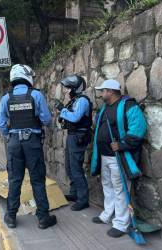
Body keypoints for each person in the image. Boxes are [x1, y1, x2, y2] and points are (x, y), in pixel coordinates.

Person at [0, 64, 57, 229]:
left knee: (15, 179)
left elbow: (1, 124)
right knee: (37, 180)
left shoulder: (6, 98)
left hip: (14, 143)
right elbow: (46, 119)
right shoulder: (36, 95)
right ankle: (43, 217)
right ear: (26, 76)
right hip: (32, 142)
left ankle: (10, 216)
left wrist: (10, 135)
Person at [90, 79, 147, 238]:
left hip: (118, 157)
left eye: (103, 91)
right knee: (107, 185)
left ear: (110, 91)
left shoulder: (129, 105)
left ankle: (121, 223)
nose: (101, 94)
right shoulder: (105, 108)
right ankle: (108, 213)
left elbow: (139, 128)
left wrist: (122, 145)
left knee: (120, 188)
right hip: (105, 156)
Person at [55, 75, 92, 211]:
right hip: (72, 136)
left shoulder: (82, 101)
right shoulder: (75, 101)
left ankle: (83, 199)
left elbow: (76, 117)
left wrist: (62, 110)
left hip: (78, 137)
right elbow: (70, 119)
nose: (65, 91)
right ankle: (74, 193)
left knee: (76, 168)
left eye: (68, 88)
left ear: (75, 88)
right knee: (70, 167)